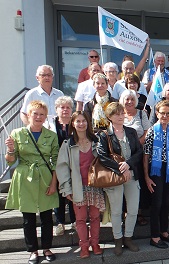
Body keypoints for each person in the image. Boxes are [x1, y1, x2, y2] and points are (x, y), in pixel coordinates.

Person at [5, 100, 59, 264]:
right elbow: (10, 161)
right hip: (24, 177)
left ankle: (47, 248)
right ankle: (33, 251)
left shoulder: (52, 136)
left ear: (45, 117)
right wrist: (10, 150)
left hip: (44, 177)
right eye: (35, 113)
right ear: (28, 115)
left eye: (42, 114)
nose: (38, 117)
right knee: (28, 218)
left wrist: (53, 183)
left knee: (46, 217)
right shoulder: (17, 133)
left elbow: (56, 161)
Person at [56, 111, 105, 259]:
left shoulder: (96, 141)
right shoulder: (68, 143)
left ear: (88, 123)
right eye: (78, 121)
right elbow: (62, 167)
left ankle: (95, 243)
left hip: (95, 186)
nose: (81, 124)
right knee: (81, 218)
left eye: (84, 121)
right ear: (73, 123)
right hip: (78, 187)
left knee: (96, 217)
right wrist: (66, 188)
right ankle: (84, 246)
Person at [98, 102, 142, 256]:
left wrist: (128, 165)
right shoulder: (104, 135)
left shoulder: (131, 132)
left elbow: (139, 152)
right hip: (114, 177)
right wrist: (120, 169)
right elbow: (102, 156)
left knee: (133, 209)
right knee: (116, 211)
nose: (121, 116)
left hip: (132, 175)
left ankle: (128, 237)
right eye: (117, 114)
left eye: (122, 113)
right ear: (109, 117)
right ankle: (118, 239)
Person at [143, 100, 169, 248]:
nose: (165, 116)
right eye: (162, 113)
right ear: (157, 114)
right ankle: (155, 236)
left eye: (168, 113)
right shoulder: (152, 130)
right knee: (157, 203)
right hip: (155, 169)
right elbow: (145, 154)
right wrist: (146, 177)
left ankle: (164, 231)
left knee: (166, 202)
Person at [119, 90, 151, 226]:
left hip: (139, 154)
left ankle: (138, 212)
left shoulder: (141, 113)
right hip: (122, 156)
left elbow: (147, 131)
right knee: (124, 182)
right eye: (127, 99)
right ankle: (124, 212)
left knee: (139, 184)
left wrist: (135, 145)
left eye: (132, 99)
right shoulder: (119, 114)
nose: (130, 102)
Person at [51, 96, 76, 236]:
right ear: (57, 109)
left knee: (73, 192)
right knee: (59, 195)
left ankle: (74, 221)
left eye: (68, 107)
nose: (65, 110)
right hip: (56, 164)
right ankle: (60, 222)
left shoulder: (75, 123)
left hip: (73, 164)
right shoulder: (51, 124)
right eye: (62, 107)